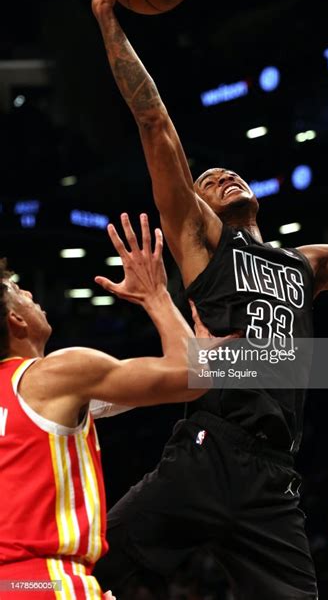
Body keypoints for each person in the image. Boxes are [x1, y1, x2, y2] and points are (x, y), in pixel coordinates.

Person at [92, 0, 328, 600]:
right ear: (191, 206)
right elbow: (156, 125)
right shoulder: (201, 241)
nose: (224, 177)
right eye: (209, 179)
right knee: (98, 569)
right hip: (208, 446)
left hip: (274, 473)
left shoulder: (307, 262)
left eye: (231, 173)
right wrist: (109, 21)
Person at [0, 213, 213, 599]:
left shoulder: (46, 395)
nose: (30, 295)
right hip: (45, 582)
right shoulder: (57, 374)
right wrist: (156, 294)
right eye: (19, 292)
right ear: (15, 319)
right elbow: (192, 374)